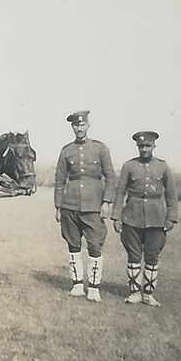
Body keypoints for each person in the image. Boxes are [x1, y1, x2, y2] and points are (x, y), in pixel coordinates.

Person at [53, 110, 115, 302]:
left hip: (94, 204)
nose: (79, 128)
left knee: (95, 245)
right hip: (70, 204)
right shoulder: (66, 151)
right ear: (72, 127)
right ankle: (77, 284)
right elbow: (60, 180)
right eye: (75, 125)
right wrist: (58, 206)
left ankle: (94, 287)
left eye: (82, 125)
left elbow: (111, 177)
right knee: (73, 244)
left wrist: (106, 202)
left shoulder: (100, 149)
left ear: (88, 125)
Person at [112, 131, 179, 306]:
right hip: (131, 217)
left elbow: (171, 194)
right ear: (137, 147)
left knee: (152, 256)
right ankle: (134, 292)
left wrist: (171, 217)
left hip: (156, 218)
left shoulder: (163, 167)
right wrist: (116, 217)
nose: (144, 149)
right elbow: (120, 193)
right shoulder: (129, 166)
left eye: (147, 146)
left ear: (154, 146)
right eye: (141, 146)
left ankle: (148, 294)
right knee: (133, 255)